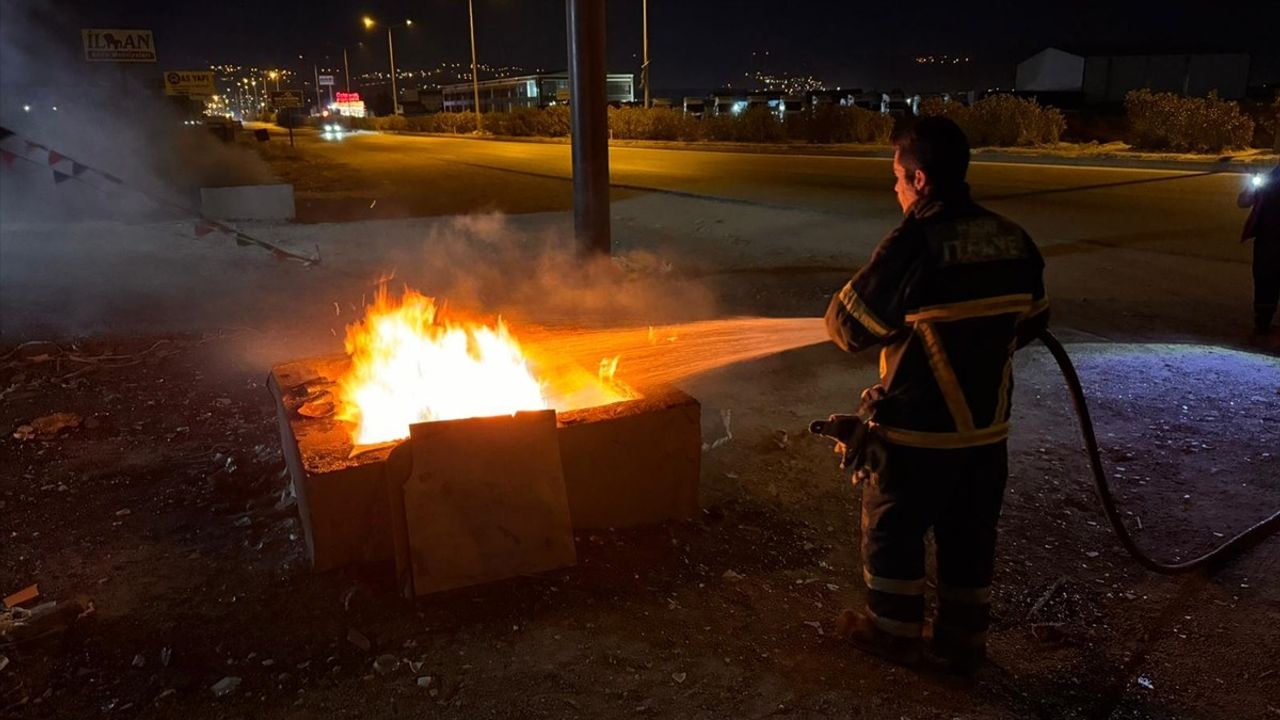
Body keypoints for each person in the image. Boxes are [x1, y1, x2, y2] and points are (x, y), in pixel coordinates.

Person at [823, 116, 1048, 671]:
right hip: (985, 436)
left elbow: (847, 328)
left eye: (898, 177)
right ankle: (962, 643)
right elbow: (1034, 322)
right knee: (970, 539)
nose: (894, 187)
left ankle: (894, 632)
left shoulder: (913, 244)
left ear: (920, 180)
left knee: (894, 533)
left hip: (915, 436)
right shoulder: (1012, 237)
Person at [1237, 163, 1280, 338]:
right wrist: (1252, 185)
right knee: (1265, 281)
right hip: (1268, 240)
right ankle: (1263, 321)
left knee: (1265, 281)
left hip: (1268, 240)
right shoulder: (1271, 178)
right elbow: (1243, 201)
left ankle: (1263, 321)